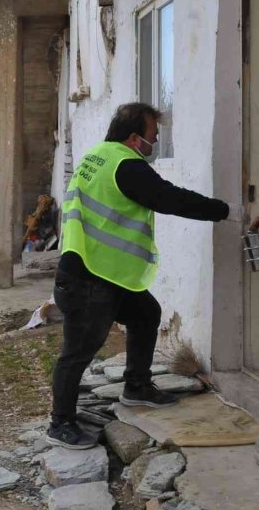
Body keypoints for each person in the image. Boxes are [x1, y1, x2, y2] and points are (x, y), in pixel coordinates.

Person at [48, 103, 240, 449]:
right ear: (135, 138)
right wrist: (224, 211)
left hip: (103, 270)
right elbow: (168, 198)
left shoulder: (99, 155)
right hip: (89, 276)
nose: (155, 141)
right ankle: (60, 422)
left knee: (146, 313)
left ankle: (136, 386)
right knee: (77, 351)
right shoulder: (127, 165)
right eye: (153, 135)